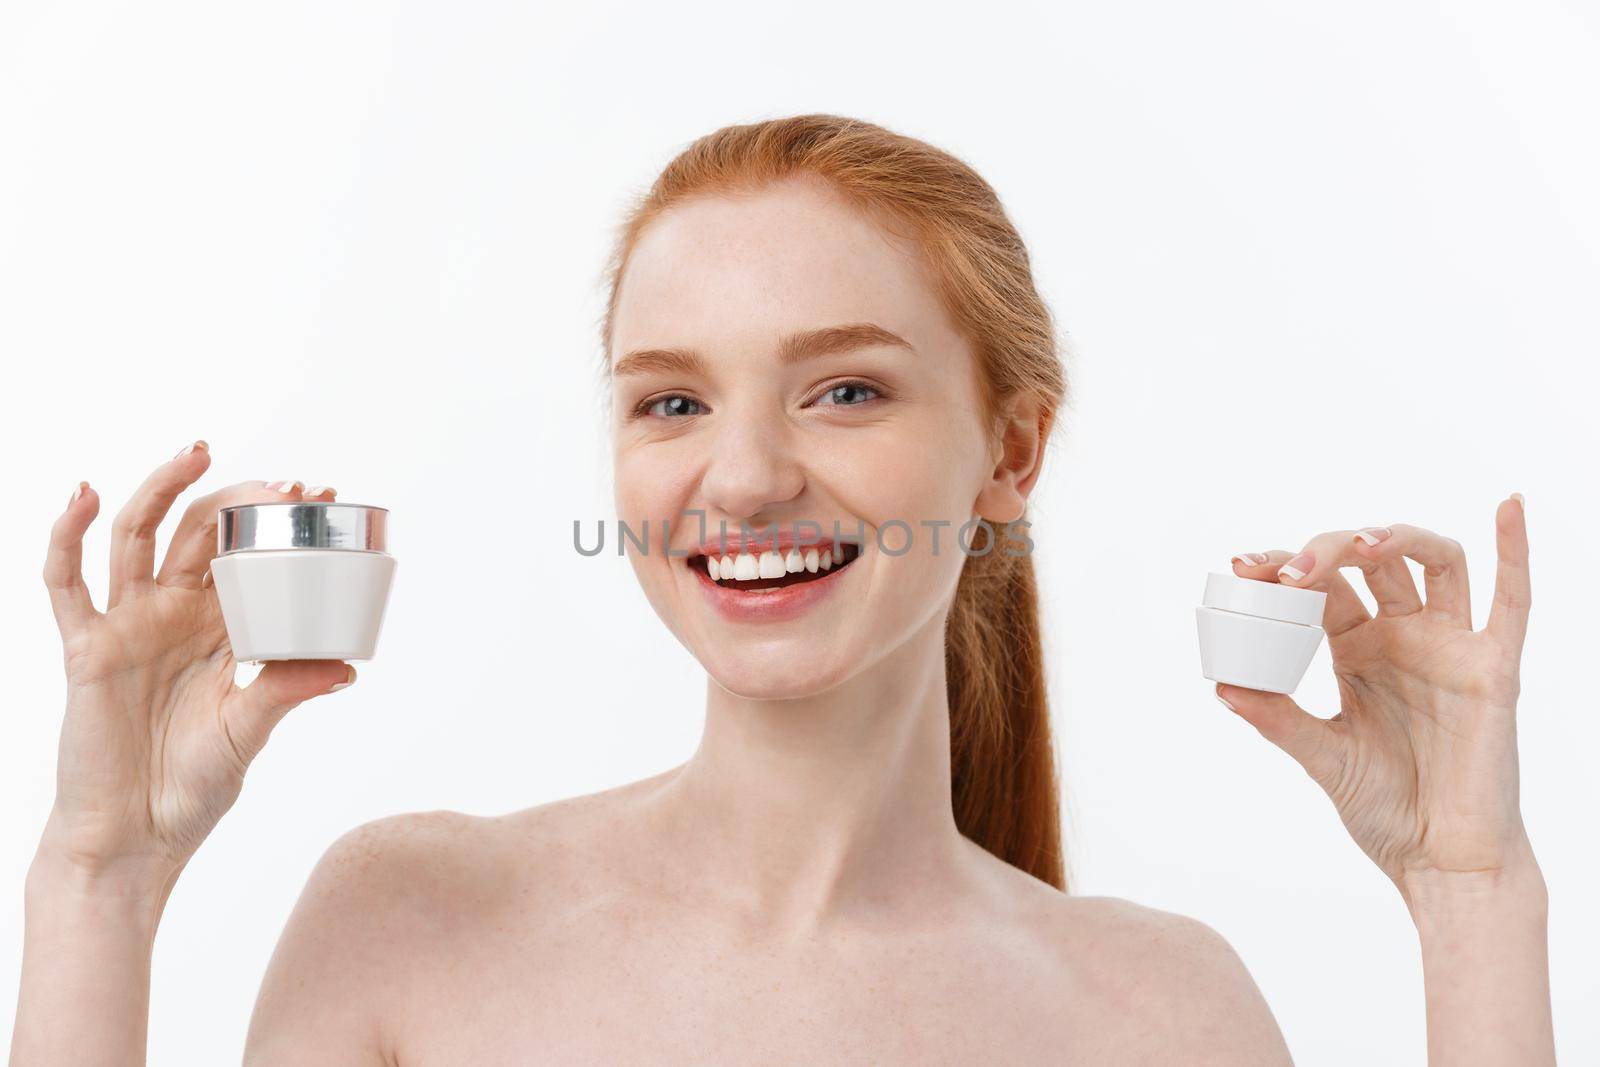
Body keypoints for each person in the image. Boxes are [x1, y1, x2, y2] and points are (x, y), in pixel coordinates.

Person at [12, 114, 1554, 1065]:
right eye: (671, 404)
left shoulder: (1166, 1019)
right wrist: (102, 874)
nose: (740, 480)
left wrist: (1471, 897)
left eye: (844, 393)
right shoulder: (408, 920)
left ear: (1011, 451)